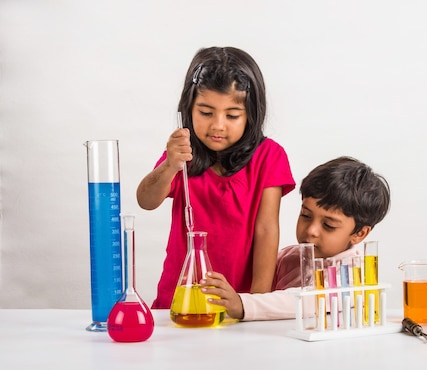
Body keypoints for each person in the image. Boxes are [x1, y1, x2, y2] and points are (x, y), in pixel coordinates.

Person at [136, 47, 295, 309]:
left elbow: (266, 229)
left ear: (251, 114)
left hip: (238, 303)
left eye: (232, 115)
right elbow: (146, 200)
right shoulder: (182, 154)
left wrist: (255, 303)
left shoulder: (269, 156)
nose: (218, 125)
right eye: (206, 112)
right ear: (189, 108)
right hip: (180, 302)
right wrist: (169, 165)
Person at [199, 156, 391, 320]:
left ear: (359, 233)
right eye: (306, 215)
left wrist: (242, 304)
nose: (312, 230)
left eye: (329, 225)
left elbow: (307, 300)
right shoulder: (288, 257)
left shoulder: (352, 272)